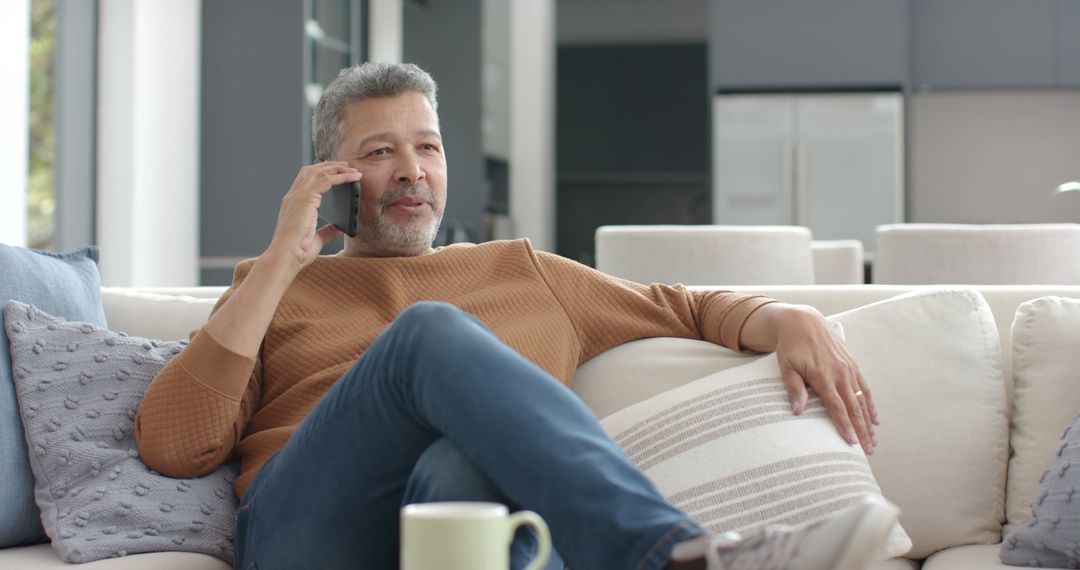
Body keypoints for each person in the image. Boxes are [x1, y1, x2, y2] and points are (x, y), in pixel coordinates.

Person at [134, 62, 894, 570]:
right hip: (310, 534)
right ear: (330, 179)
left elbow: (684, 307)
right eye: (380, 152)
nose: (411, 170)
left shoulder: (523, 272)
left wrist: (787, 314)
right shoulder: (273, 284)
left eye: (427, 147)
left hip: (458, 531)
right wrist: (278, 260)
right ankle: (667, 554)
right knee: (425, 334)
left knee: (459, 465)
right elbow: (175, 446)